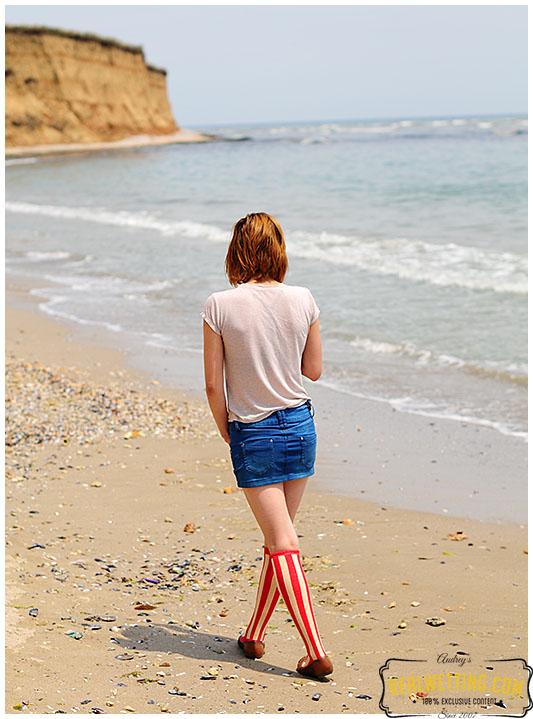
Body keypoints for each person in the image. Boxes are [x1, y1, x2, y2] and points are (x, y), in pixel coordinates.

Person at [202, 212, 333, 679]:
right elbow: (312, 371)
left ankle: (314, 649)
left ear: (237, 252)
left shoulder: (220, 304)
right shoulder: (304, 299)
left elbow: (214, 387)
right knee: (279, 541)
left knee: (281, 541)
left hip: (253, 430)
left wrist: (226, 430)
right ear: (279, 250)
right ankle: (254, 633)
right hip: (300, 426)